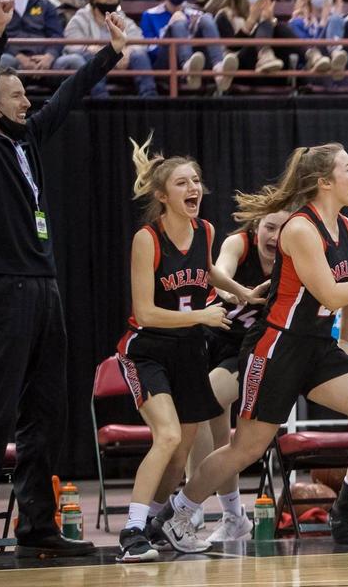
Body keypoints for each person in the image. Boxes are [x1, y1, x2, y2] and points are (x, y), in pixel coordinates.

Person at [155, 143, 348, 552]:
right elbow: (332, 295)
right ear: (324, 182)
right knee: (246, 447)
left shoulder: (346, 227)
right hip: (277, 345)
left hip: (317, 345)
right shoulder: (299, 229)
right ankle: (176, 513)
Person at [0, 0, 125, 561]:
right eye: (14, 94)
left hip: (46, 287)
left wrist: (110, 53)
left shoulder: (28, 140)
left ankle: (37, 524)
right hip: (4, 288)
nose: (26, 100)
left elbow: (67, 94)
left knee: (46, 412)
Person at [114, 137, 266, 562]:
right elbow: (145, 312)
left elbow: (207, 271)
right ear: (163, 195)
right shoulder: (147, 238)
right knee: (166, 437)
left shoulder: (206, 231)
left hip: (188, 351)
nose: (193, 187)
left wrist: (242, 293)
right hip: (147, 350)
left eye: (196, 180)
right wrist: (202, 315)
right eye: (182, 182)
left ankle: (156, 523)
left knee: (180, 452)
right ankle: (131, 532)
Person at [184, 208, 291, 543]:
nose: (275, 237)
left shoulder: (295, 257)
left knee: (200, 403)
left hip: (248, 350)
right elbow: (222, 269)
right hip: (211, 338)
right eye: (269, 227)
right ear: (256, 227)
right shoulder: (239, 243)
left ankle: (190, 503)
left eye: (282, 229)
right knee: (221, 439)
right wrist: (232, 292)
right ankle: (233, 517)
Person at [140, 0, 238, 92]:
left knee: (206, 19)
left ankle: (219, 70)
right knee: (178, 24)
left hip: (197, 58)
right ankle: (187, 67)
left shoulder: (194, 13)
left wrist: (192, 31)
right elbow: (150, 50)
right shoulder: (149, 15)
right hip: (164, 60)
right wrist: (170, 26)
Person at [63, 0, 158, 97]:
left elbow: (139, 41)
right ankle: (101, 99)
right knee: (92, 57)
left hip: (121, 64)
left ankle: (149, 97)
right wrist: (98, 51)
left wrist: (127, 51)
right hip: (95, 64)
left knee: (139, 55)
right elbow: (71, 46)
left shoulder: (123, 19)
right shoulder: (79, 19)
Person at [212, 0, 299, 77]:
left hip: (266, 65)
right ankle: (265, 54)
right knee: (266, 23)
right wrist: (251, 20)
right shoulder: (225, 15)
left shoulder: (262, 14)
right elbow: (232, 48)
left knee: (279, 27)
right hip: (236, 65)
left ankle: (311, 56)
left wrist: (271, 19)